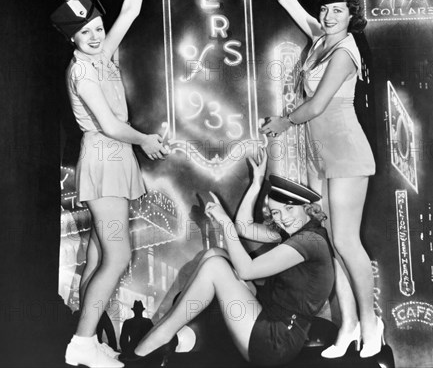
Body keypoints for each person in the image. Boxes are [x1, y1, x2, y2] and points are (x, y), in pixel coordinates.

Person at [241, 0, 382, 358]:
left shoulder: (345, 51)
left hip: (348, 155)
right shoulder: (320, 40)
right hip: (328, 157)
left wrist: (281, 123)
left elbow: (317, 106)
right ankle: (349, 326)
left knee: (345, 242)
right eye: (325, 8)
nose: (327, 15)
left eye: (338, 10)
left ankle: (371, 324)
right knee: (335, 242)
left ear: (351, 13)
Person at [37, 0, 169, 368]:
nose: (95, 36)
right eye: (86, 32)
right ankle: (81, 344)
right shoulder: (85, 73)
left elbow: (129, 12)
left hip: (113, 160)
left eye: (97, 28)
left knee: (98, 250)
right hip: (104, 158)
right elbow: (112, 125)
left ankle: (87, 338)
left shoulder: (102, 57)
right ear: (70, 38)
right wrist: (147, 140)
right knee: (118, 254)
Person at [131, 149, 335, 367]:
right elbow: (244, 227)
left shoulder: (309, 241)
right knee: (215, 254)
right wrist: (256, 183)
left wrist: (225, 223)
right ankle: (166, 332)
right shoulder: (299, 232)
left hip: (275, 341)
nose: (283, 218)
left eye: (289, 209)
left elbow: (246, 270)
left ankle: (155, 342)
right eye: (276, 213)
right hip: (268, 315)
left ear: (308, 208)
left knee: (217, 266)